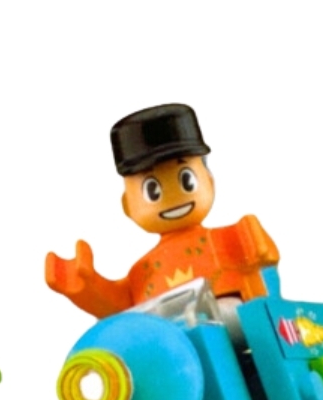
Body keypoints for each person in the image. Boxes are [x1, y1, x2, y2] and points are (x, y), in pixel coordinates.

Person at [46, 103, 279, 318]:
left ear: (209, 182)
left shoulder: (228, 238)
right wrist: (87, 289)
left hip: (235, 328)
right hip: (170, 341)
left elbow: (266, 271)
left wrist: (261, 252)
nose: (172, 196)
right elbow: (120, 309)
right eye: (153, 190)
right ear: (128, 206)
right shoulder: (142, 272)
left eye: (186, 180)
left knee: (229, 313)